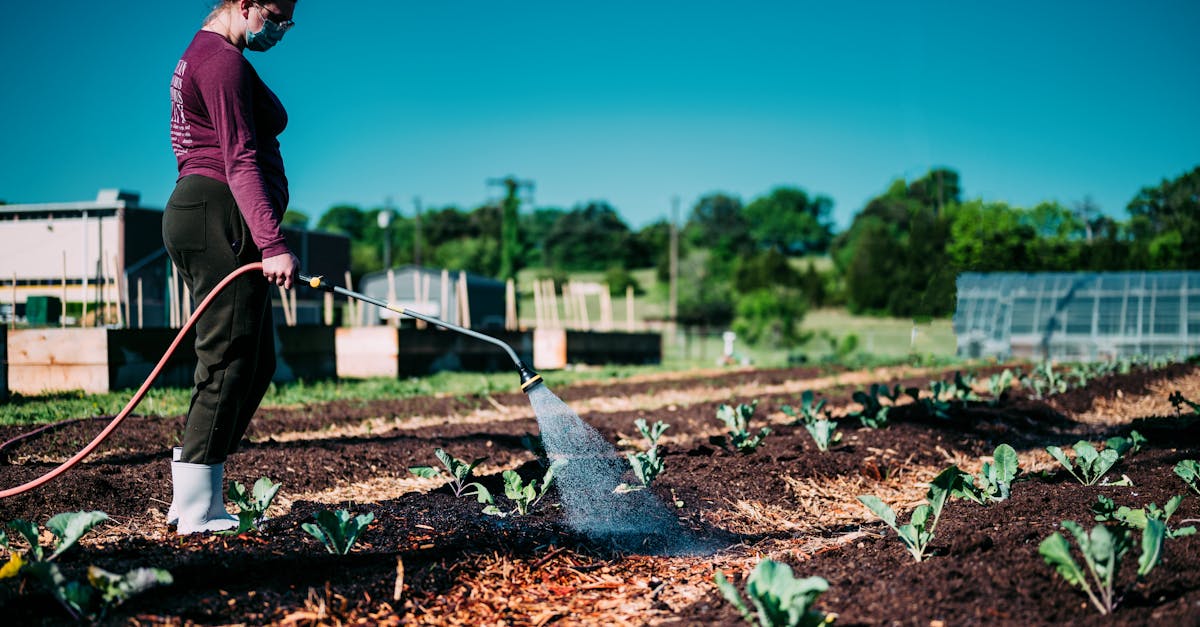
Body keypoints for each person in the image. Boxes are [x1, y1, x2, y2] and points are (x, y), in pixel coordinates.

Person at [163, 0, 299, 534]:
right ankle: (197, 508)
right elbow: (239, 156)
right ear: (243, 4)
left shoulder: (210, 57)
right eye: (277, 13)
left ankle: (194, 484)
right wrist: (272, 243)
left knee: (257, 361)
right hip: (218, 213)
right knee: (228, 357)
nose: (284, 27)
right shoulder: (219, 60)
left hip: (211, 213)